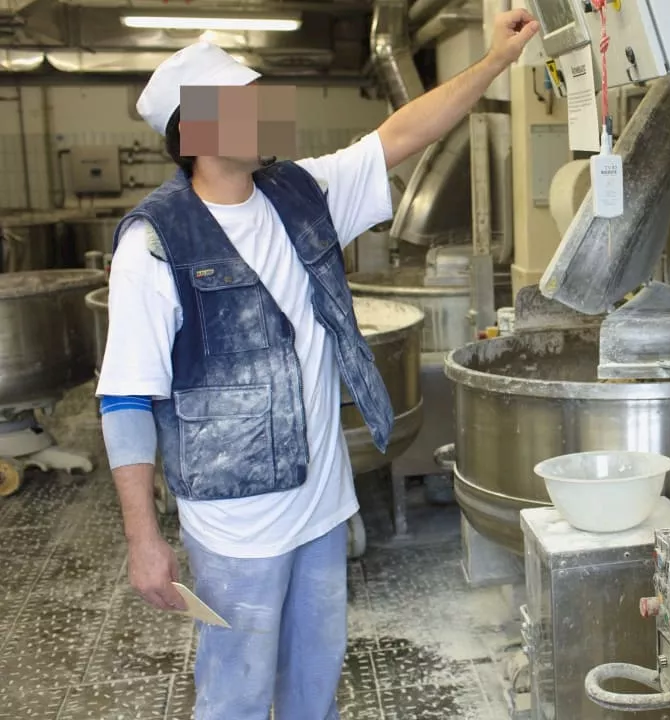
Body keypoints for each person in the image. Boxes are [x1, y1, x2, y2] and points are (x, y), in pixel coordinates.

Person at [95, 10, 539, 719]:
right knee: (235, 695)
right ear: (197, 132)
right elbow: (123, 400)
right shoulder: (153, 243)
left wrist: (494, 61)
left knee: (314, 691)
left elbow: (402, 134)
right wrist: (143, 542)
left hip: (322, 508)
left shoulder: (299, 192)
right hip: (237, 526)